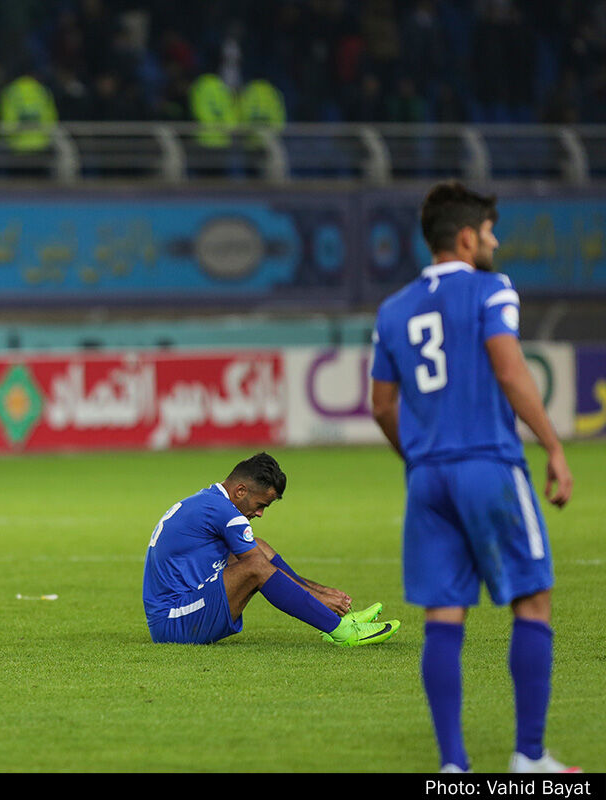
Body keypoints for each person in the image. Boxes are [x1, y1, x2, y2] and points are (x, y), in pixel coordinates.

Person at [369, 181, 581, 773]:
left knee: (443, 615)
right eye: (489, 232)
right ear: (466, 237)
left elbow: (382, 407)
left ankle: (454, 767)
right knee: (532, 602)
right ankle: (529, 758)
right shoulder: (492, 289)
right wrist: (555, 447)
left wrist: (415, 457)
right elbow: (511, 371)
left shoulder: (393, 309)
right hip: (488, 464)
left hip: (428, 479)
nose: (496, 241)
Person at [143, 452, 400, 648]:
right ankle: (341, 631)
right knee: (255, 565)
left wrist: (321, 592)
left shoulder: (210, 501)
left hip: (181, 608)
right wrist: (318, 598)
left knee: (259, 548)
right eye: (260, 504)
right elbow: (259, 569)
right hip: (173, 621)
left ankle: (335, 616)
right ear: (240, 490)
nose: (260, 513)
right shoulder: (225, 512)